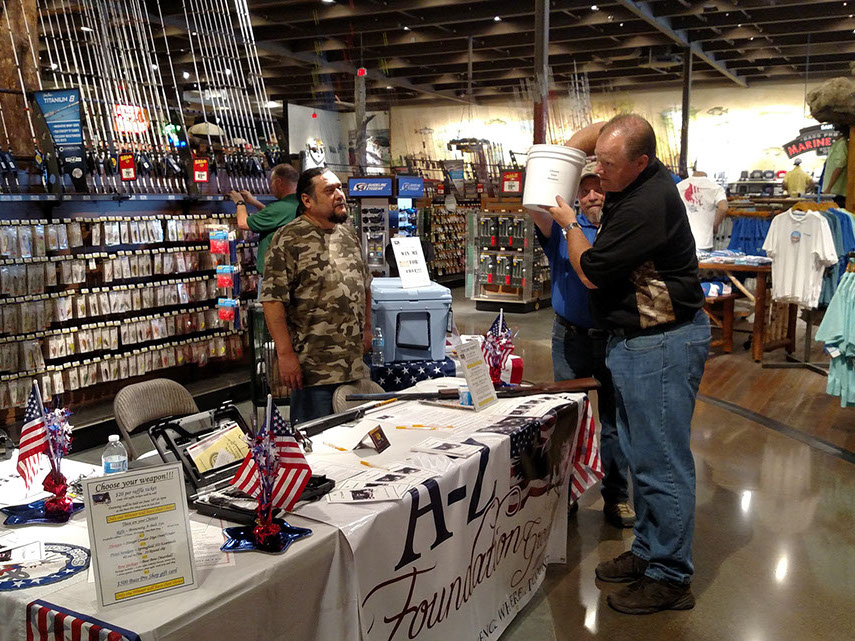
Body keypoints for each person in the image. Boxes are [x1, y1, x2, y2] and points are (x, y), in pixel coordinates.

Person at [548, 114, 710, 615]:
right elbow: (586, 140)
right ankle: (648, 552)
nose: (598, 174)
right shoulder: (631, 174)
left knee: (661, 463)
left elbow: (591, 271)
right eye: (597, 161)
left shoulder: (646, 203)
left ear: (641, 162)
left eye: (608, 166)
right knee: (644, 458)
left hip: (661, 342)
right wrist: (588, 140)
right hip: (639, 341)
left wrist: (572, 225)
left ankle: (670, 576)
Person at [526, 163, 634, 529]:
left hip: (614, 341)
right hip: (569, 338)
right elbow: (532, 204)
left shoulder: (621, 229)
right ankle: (567, 493)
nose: (592, 196)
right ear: (575, 195)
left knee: (615, 424)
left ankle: (616, 496)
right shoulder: (558, 226)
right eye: (584, 189)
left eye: (598, 188)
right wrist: (554, 163)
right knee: (566, 420)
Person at [260, 167, 372, 425]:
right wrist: (285, 355)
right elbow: (272, 300)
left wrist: (367, 329)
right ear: (307, 200)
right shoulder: (289, 239)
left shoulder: (348, 235)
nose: (339, 195)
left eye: (340, 188)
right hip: (313, 370)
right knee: (319, 448)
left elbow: (365, 285)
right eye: (329, 190)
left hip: (353, 365)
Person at [228, 163, 299, 290]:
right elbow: (275, 218)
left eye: (271, 182)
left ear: (279, 182)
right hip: (290, 273)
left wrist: (239, 202)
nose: (270, 186)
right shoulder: (297, 204)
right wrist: (254, 202)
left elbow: (243, 223)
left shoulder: (279, 208)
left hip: (273, 278)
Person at [675, 169, 728, 252]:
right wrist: (715, 225)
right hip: (704, 240)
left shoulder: (679, 186)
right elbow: (723, 207)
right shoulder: (715, 188)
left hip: (682, 240)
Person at [823, 127, 849, 208]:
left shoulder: (841, 145)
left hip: (836, 192)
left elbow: (839, 167)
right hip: (833, 191)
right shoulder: (837, 145)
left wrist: (828, 188)